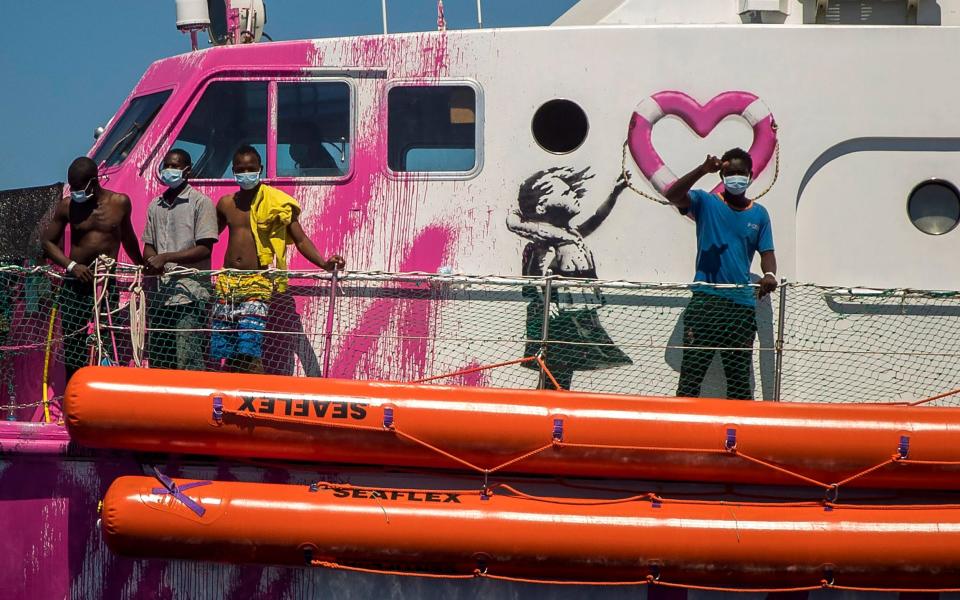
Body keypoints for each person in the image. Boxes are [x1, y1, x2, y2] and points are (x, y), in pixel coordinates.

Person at [213, 145, 344, 373]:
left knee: (249, 344)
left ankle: (254, 388)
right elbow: (207, 239)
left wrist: (323, 263)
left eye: (251, 169)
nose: (246, 174)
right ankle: (228, 390)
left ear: (260, 169)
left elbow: (300, 239)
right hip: (227, 282)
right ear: (233, 171)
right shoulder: (225, 204)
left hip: (257, 281)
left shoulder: (276, 203)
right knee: (225, 344)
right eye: (240, 169)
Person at [664, 148, 777, 400]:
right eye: (730, 172)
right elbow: (672, 195)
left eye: (741, 172)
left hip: (741, 307)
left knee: (739, 385)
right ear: (722, 175)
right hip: (705, 303)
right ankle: (683, 436)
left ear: (750, 175)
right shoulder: (706, 202)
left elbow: (767, 253)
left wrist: (769, 274)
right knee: (690, 380)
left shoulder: (759, 214)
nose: (736, 177)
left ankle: (738, 437)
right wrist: (702, 170)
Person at [506, 167, 632, 390]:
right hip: (560, 313)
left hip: (577, 310)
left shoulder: (571, 234)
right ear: (543, 206)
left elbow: (597, 218)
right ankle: (549, 408)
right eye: (566, 193)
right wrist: (547, 304)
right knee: (557, 364)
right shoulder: (549, 238)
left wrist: (614, 194)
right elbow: (538, 273)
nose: (573, 194)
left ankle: (556, 404)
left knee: (566, 366)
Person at [41, 156, 144, 382]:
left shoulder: (120, 203)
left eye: (79, 187)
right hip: (75, 285)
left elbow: (128, 238)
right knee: (73, 343)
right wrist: (71, 266)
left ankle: (102, 395)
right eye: (73, 186)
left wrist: (142, 265)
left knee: (106, 340)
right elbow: (47, 242)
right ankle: (74, 392)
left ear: (93, 182)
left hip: (105, 286)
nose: (75, 191)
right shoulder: (68, 206)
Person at [142, 149, 218, 371]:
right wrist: (152, 261)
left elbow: (205, 249)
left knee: (188, 359)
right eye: (167, 165)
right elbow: (149, 245)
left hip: (189, 295)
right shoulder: (155, 205)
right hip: (159, 296)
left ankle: (194, 404)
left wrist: (166, 258)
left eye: (175, 166)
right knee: (160, 360)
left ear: (187, 170)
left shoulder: (201, 203)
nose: (170, 171)